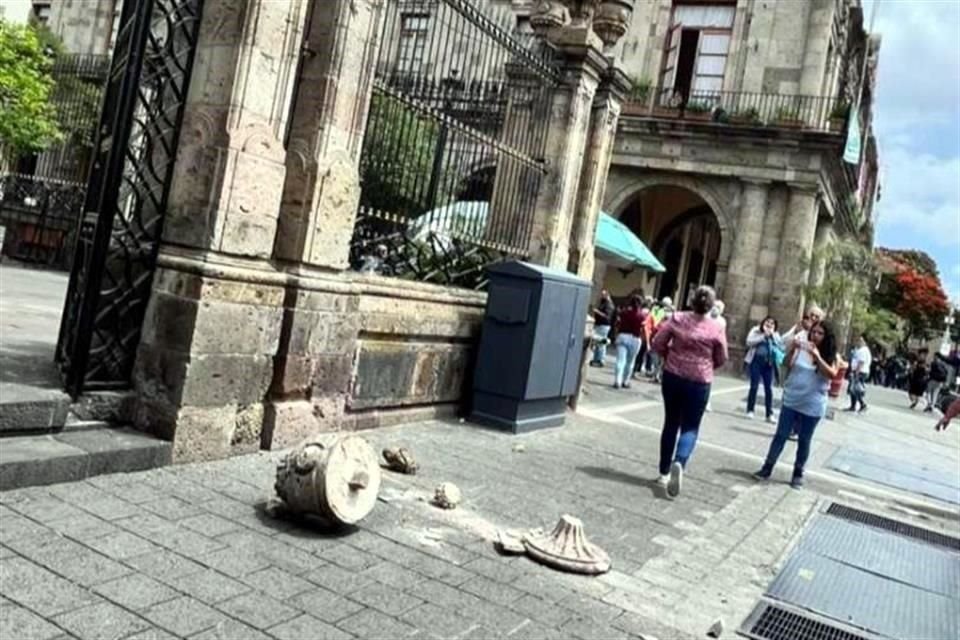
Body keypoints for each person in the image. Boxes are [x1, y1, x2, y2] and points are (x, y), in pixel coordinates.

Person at [651, 286, 728, 498]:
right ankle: (680, 461)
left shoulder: (676, 318)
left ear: (692, 300)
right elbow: (722, 356)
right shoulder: (716, 328)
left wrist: (670, 356)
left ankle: (664, 472)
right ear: (711, 306)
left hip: (673, 375)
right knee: (691, 427)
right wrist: (707, 364)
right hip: (699, 380)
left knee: (671, 422)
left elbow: (658, 342)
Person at [752, 320, 839, 489]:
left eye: (820, 333)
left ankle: (798, 473)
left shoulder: (830, 354)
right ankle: (767, 467)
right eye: (814, 332)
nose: (815, 336)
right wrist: (793, 349)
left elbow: (831, 374)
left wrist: (817, 356)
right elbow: (786, 364)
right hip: (792, 398)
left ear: (827, 336)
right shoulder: (802, 347)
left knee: (804, 440)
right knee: (781, 435)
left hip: (813, 403)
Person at [744, 316, 783, 422]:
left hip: (769, 364)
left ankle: (769, 414)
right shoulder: (756, 330)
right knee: (754, 386)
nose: (770, 325)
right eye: (768, 322)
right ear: (763, 323)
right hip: (756, 361)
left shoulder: (776, 335)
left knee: (768, 389)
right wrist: (763, 336)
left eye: (772, 323)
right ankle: (750, 410)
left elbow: (781, 346)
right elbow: (749, 342)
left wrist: (772, 335)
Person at [613, 295, 645, 389]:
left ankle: (617, 381)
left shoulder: (623, 313)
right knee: (630, 362)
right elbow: (643, 329)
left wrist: (616, 335)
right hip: (635, 338)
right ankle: (625, 381)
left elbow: (617, 324)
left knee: (620, 360)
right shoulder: (642, 316)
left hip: (623, 336)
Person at [704, 300, 727, 412]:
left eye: (718, 307)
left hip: (711, 352)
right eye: (714, 306)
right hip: (702, 350)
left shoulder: (722, 321)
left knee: (708, 378)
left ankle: (706, 401)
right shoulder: (705, 317)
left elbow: (721, 339)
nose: (715, 308)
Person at [590, 290, 617, 367]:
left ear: (607, 295)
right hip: (600, 325)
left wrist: (597, 311)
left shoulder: (609, 305)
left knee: (601, 342)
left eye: (603, 295)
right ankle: (596, 359)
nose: (601, 296)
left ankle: (600, 359)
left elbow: (607, 316)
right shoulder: (604, 303)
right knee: (598, 343)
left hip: (604, 325)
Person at [846, 335, 872, 413]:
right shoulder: (859, 350)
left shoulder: (863, 351)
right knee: (853, 389)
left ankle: (862, 404)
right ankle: (853, 406)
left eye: (860, 341)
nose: (858, 342)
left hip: (860, 372)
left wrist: (856, 374)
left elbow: (861, 363)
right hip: (858, 371)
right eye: (857, 340)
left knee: (856, 389)